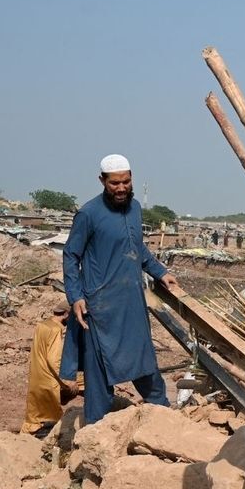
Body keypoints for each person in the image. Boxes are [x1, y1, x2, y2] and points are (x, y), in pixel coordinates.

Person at [61, 154, 180, 425]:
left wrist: (161, 273)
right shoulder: (88, 214)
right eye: (115, 183)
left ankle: (164, 419)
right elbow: (70, 255)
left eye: (126, 181)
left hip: (131, 304)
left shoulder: (136, 208)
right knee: (99, 373)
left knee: (144, 361)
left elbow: (136, 248)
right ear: (102, 181)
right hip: (99, 308)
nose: (121, 188)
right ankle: (95, 432)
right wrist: (76, 296)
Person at [20, 301, 80, 437]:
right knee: (85, 384)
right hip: (49, 380)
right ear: (66, 314)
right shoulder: (55, 330)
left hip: (37, 377)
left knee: (36, 415)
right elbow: (54, 361)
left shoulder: (43, 325)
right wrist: (67, 381)